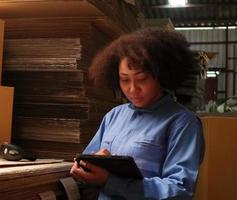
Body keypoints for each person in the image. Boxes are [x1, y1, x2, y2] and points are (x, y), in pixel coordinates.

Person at [70, 28, 205, 200]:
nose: (132, 89)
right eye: (124, 79)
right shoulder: (113, 116)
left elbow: (180, 190)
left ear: (161, 75)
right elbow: (86, 162)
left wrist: (110, 182)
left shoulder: (182, 123)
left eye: (142, 79)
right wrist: (84, 166)